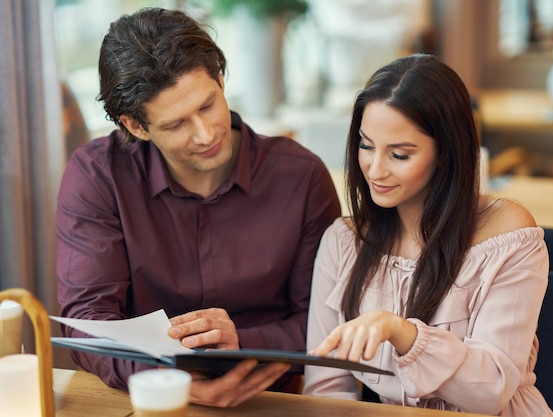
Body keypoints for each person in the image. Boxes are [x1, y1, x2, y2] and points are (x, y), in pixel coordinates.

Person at [55, 7, 341, 407]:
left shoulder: (301, 177)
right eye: (176, 124)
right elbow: (87, 323)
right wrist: (169, 382)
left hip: (272, 401)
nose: (205, 134)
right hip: (149, 400)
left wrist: (243, 339)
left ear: (221, 80)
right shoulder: (98, 177)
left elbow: (326, 323)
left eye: (208, 105)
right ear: (136, 127)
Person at [303, 54, 553, 416]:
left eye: (399, 155)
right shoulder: (344, 242)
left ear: (446, 153)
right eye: (365, 145)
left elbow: (492, 390)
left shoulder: (508, 234)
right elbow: (327, 385)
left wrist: (403, 333)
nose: (375, 170)